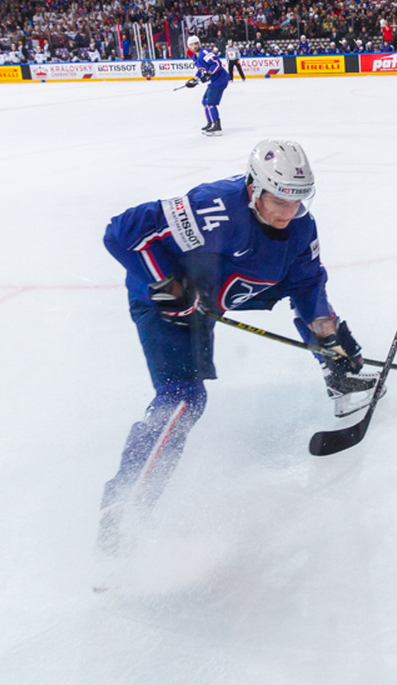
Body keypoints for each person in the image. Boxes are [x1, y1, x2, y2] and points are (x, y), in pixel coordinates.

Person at [95, 139, 377, 555]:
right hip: (166, 306)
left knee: (316, 308)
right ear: (253, 187)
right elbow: (122, 232)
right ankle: (125, 503)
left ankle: (337, 371)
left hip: (219, 288)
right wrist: (171, 284)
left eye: (297, 200)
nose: (288, 212)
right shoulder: (214, 208)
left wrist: (329, 338)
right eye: (279, 199)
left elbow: (306, 287)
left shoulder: (300, 228)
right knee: (184, 397)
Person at [184, 35, 230, 136]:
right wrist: (194, 80)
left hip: (219, 80)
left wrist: (209, 73)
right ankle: (210, 123)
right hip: (213, 81)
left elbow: (217, 63)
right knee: (205, 101)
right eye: (192, 44)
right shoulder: (195, 56)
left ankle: (216, 126)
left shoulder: (204, 52)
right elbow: (201, 70)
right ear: (189, 47)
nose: (194, 46)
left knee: (210, 103)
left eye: (196, 43)